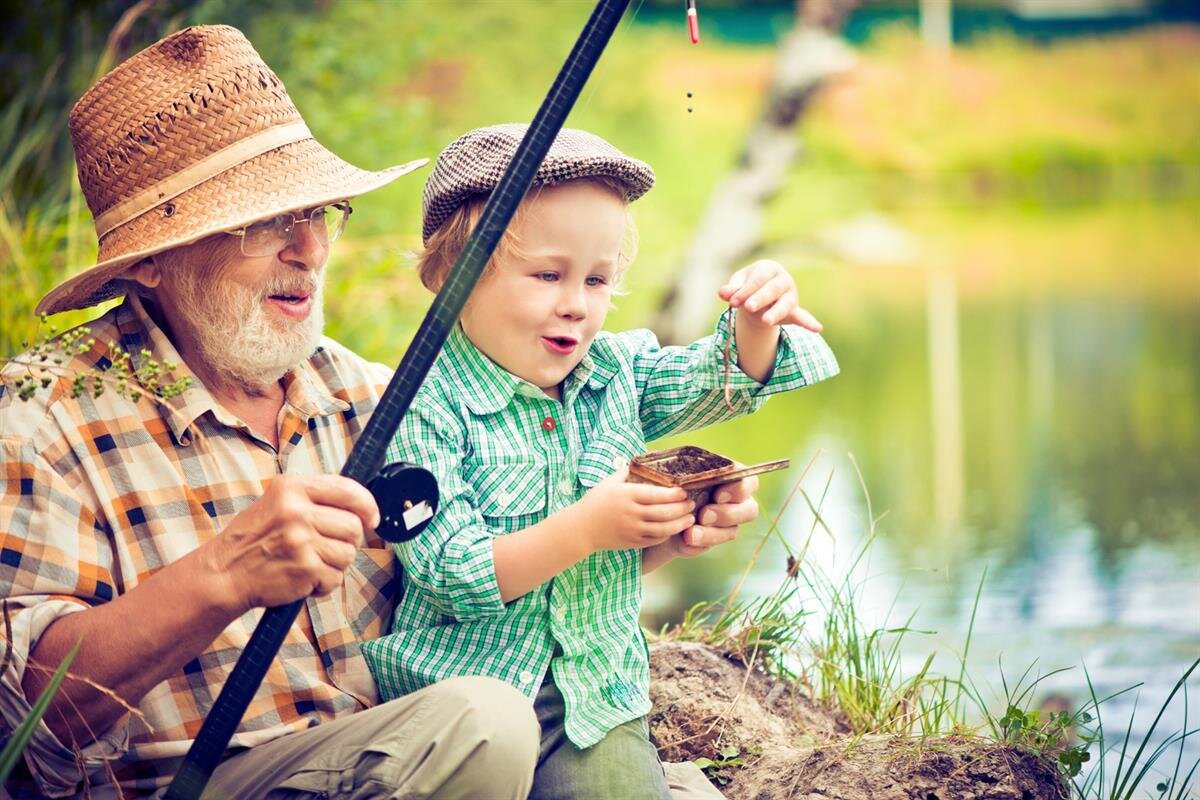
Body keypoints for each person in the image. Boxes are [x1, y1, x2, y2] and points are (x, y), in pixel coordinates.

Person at [0, 25, 766, 800]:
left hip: (396, 753)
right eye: (261, 223)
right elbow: (32, 722)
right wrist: (224, 575)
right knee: (487, 722)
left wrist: (652, 536)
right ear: (151, 260)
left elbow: (483, 592)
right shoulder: (45, 416)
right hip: (196, 781)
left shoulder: (377, 394)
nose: (308, 247)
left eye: (320, 212)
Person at [360, 124, 840, 799]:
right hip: (461, 700)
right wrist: (587, 529)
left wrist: (757, 320)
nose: (576, 304)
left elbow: (720, 379)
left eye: (598, 279)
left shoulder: (616, 371)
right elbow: (451, 573)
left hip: (592, 697)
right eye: (548, 275)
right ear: (451, 276)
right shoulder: (421, 403)